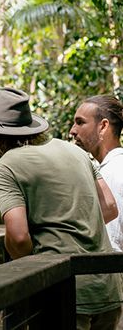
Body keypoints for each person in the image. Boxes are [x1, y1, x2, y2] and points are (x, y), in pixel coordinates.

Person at [0, 87, 122, 330]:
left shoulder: (5, 166)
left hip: (62, 291)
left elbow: (18, 238)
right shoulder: (75, 151)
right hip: (107, 288)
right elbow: (110, 207)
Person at [70, 95, 123, 252]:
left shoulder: (112, 173)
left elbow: (112, 245)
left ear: (103, 126)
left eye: (80, 122)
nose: (72, 131)